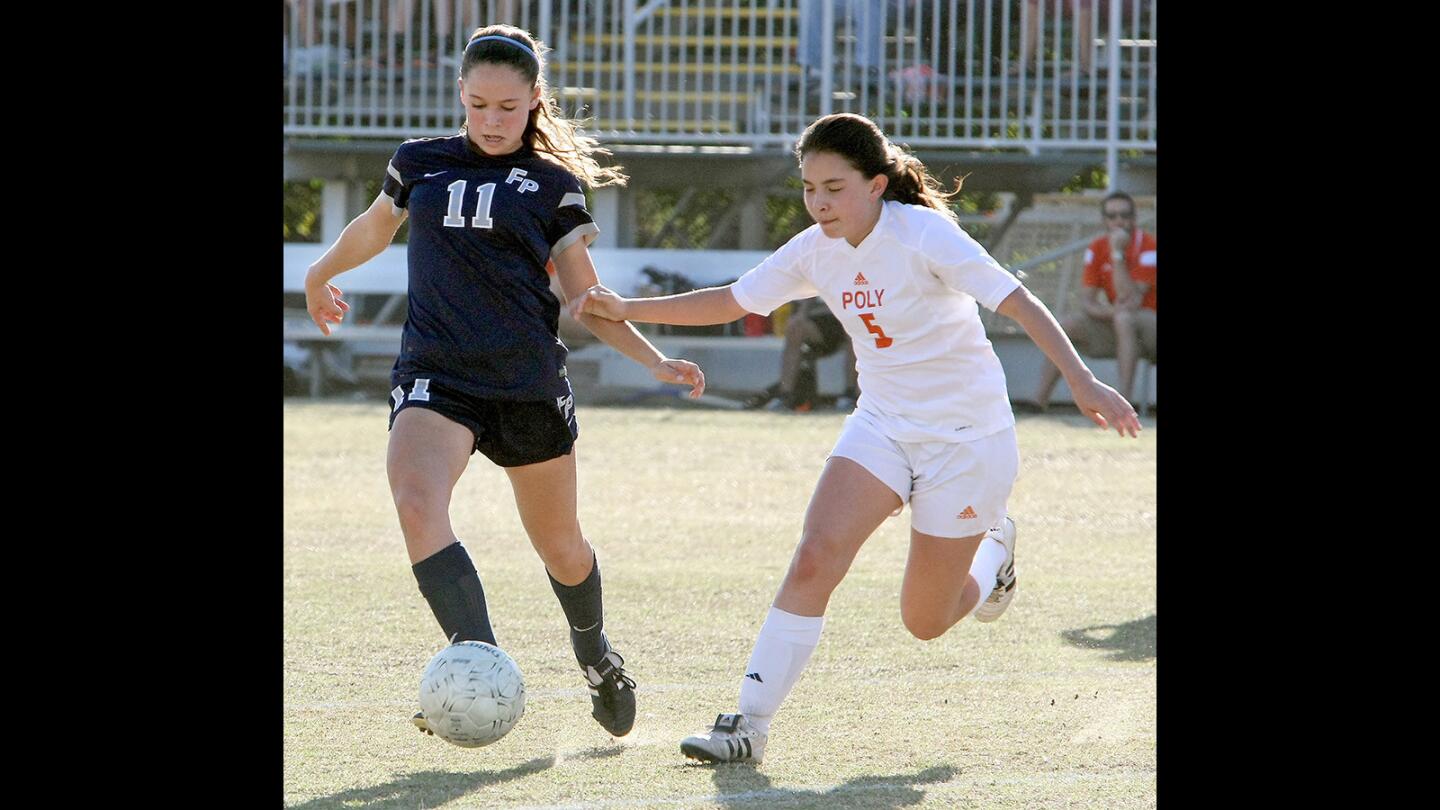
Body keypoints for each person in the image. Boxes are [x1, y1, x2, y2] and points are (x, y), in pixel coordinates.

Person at [569, 112, 1139, 764]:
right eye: (808, 187)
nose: (818, 202)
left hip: (968, 441)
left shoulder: (923, 233)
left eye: (833, 188)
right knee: (815, 556)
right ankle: (747, 725)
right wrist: (628, 309)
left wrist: (1085, 383)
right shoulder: (816, 245)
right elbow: (735, 299)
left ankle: (994, 551)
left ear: (875, 184)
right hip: (883, 426)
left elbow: (1018, 302)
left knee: (925, 621)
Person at [302, 24, 705, 741]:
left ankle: (596, 656)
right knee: (415, 499)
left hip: (524, 384)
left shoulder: (553, 186)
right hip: (436, 373)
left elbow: (587, 300)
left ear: (534, 102)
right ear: (460, 93)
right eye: (480, 104)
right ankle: (478, 659)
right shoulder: (418, 162)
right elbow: (373, 225)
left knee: (561, 547)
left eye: (509, 108)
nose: (492, 120)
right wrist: (320, 271)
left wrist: (654, 360)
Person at [1031, 191, 1156, 410]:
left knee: (1125, 318)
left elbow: (1131, 298)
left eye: (1125, 215)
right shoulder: (1097, 247)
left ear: (1134, 219)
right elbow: (1087, 301)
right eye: (1112, 216)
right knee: (1068, 325)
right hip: (1119, 323)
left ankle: (1123, 404)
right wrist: (1110, 312)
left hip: (1149, 326)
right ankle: (1038, 401)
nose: (1118, 221)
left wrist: (1117, 254)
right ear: (1104, 220)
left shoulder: (1148, 246)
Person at [746, 296, 859, 412]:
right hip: (818, 319)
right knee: (795, 326)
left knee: (855, 329)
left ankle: (851, 394)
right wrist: (802, 312)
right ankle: (785, 395)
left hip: (847, 315)